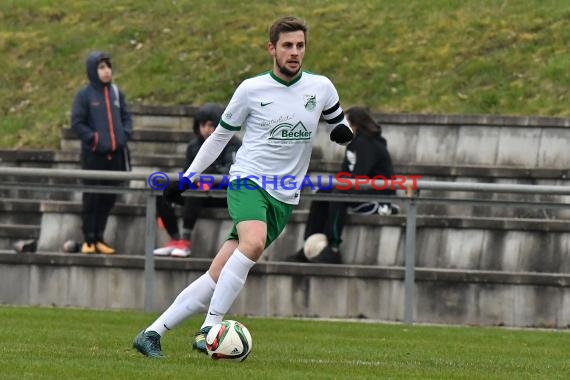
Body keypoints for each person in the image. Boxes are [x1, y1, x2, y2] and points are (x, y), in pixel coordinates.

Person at [133, 16, 353, 358]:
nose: (295, 52)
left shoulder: (321, 87)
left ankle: (152, 333)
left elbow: (339, 121)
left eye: (300, 45)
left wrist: (344, 130)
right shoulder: (251, 90)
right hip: (248, 181)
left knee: (217, 274)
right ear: (272, 49)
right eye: (287, 46)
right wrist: (188, 177)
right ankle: (210, 328)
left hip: (285, 195)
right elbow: (220, 137)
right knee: (253, 243)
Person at [287, 106, 398, 264]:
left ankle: (333, 248)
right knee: (321, 194)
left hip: (378, 192)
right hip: (359, 187)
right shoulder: (353, 143)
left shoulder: (368, 144)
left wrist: (339, 187)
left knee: (338, 195)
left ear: (356, 125)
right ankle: (311, 246)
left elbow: (360, 176)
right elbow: (344, 175)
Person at [153, 103, 241, 257]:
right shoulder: (193, 145)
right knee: (162, 190)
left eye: (211, 125)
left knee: (196, 191)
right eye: (203, 125)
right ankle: (175, 238)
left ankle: (186, 241)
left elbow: (231, 171)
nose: (207, 129)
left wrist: (208, 177)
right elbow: (186, 172)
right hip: (199, 190)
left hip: (224, 194)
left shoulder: (233, 143)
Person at [71, 51, 132, 255]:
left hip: (115, 156)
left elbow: (126, 117)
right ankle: (89, 239)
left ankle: (100, 237)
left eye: (108, 67)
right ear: (93, 71)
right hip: (94, 156)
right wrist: (95, 140)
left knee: (109, 198)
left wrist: (124, 135)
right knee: (92, 198)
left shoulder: (116, 93)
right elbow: (78, 123)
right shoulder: (84, 96)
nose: (106, 71)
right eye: (101, 67)